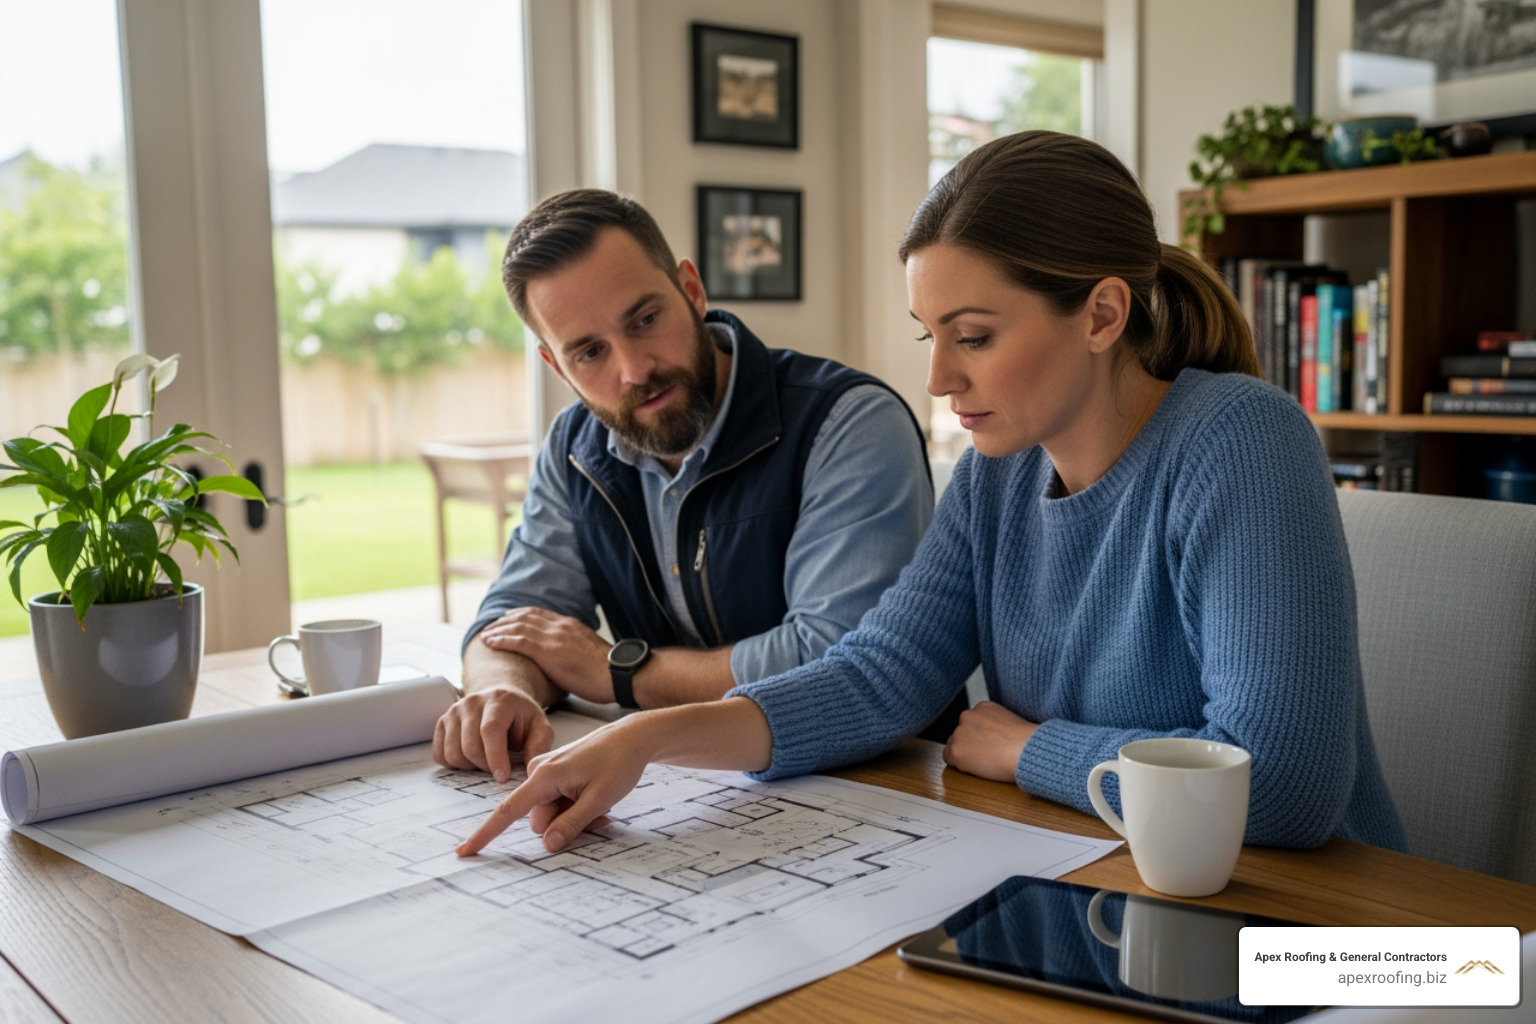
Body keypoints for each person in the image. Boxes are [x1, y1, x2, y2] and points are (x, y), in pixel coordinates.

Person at [455, 132, 1407, 858]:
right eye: (930, 336)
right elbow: (876, 677)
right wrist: (648, 739)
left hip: (1334, 937)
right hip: (1110, 874)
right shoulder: (999, 471)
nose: (941, 379)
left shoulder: (1241, 440)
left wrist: (1032, 752)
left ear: (1102, 314)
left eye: (975, 336)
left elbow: (1281, 787)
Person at [432, 188, 934, 785]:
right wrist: (502, 692)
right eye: (590, 352)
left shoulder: (847, 422)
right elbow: (513, 620)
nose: (634, 369)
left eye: (645, 320)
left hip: (889, 785)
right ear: (557, 368)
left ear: (691, 291)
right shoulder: (573, 446)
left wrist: (620, 673)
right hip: (685, 781)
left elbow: (834, 662)